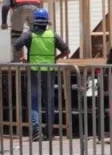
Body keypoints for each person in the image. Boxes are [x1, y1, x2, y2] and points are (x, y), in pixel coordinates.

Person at [13, 8, 70, 141]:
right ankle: (50, 132)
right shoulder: (53, 35)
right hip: (50, 72)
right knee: (49, 101)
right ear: (46, 22)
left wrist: (22, 57)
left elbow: (16, 44)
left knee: (34, 102)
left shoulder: (30, 35)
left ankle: (36, 132)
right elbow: (66, 50)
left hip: (34, 71)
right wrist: (56, 58)